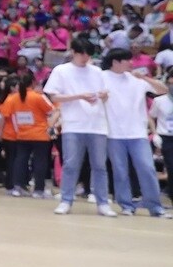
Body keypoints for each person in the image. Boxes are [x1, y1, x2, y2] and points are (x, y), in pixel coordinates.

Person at [44, 36, 117, 217]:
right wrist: (79, 96)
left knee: (99, 166)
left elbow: (107, 96)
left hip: (97, 124)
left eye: (88, 55)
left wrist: (103, 95)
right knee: (70, 164)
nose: (85, 58)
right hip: (74, 125)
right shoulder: (61, 71)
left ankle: (102, 202)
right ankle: (66, 200)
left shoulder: (97, 72)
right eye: (82, 54)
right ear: (74, 53)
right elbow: (54, 97)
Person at [100, 49, 167, 216]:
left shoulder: (136, 79)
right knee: (120, 171)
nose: (131, 63)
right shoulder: (102, 77)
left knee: (147, 169)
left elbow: (163, 90)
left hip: (138, 133)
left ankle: (155, 206)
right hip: (113, 133)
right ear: (115, 62)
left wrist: (144, 77)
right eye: (127, 60)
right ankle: (126, 205)